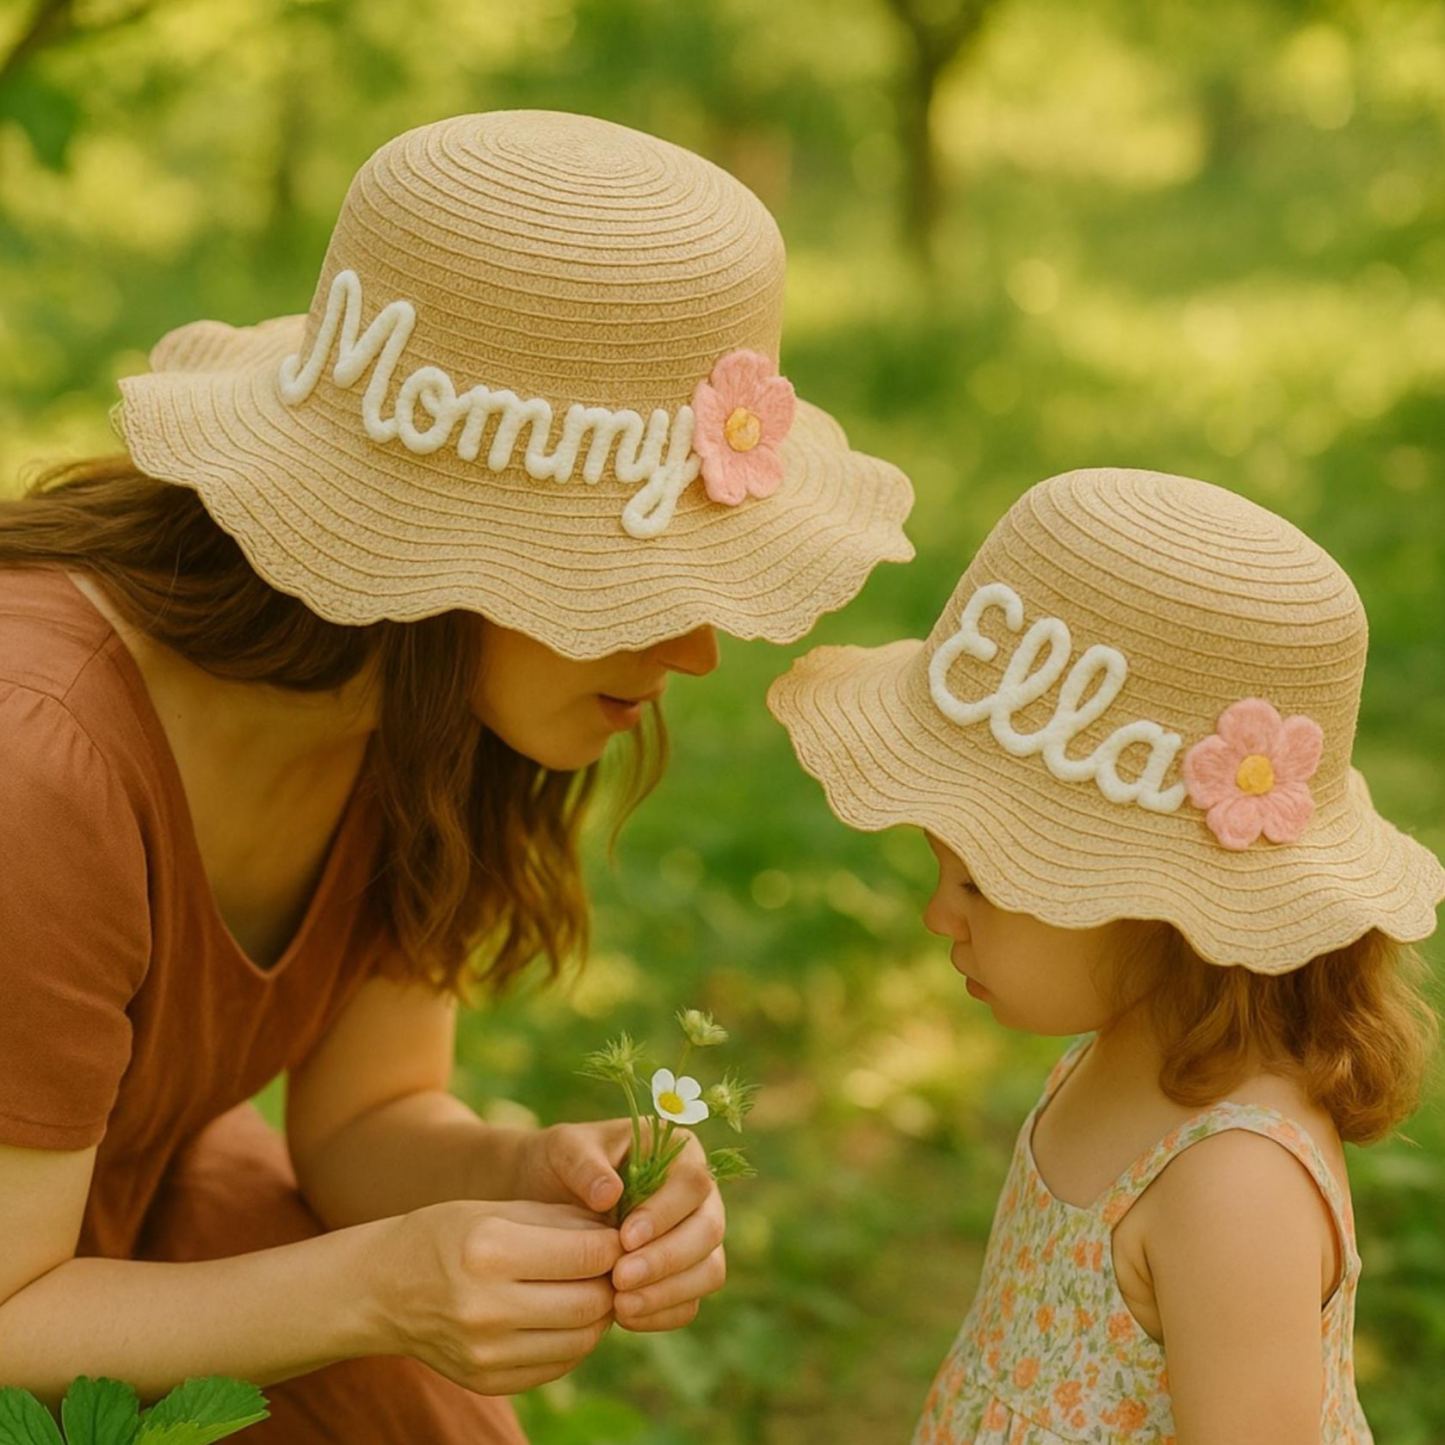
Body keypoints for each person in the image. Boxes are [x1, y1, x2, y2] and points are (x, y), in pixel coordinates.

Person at [0, 109, 914, 1441]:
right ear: (438, 547)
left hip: (105, 1225)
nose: (701, 647)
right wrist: (380, 1283)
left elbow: (363, 1116)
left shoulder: (409, 720)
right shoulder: (41, 767)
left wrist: (523, 1172)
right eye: (635, 578)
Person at [768, 467, 1442, 1444]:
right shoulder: (1119, 1054)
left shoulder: (1232, 1183)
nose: (933, 916)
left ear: (1151, 906)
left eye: (975, 883)